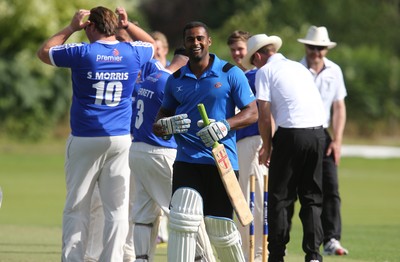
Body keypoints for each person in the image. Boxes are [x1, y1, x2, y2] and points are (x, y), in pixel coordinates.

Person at [37, 6, 155, 261]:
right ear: (114, 26)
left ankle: (74, 258)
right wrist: (128, 25)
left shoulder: (83, 53)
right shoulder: (131, 52)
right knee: (117, 209)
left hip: (84, 137)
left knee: (77, 206)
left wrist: (70, 28)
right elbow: (152, 44)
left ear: (90, 26)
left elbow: (44, 52)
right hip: (120, 139)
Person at [152, 21, 258, 262]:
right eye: (190, 39)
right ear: (185, 44)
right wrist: (165, 126)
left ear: (208, 41)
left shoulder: (230, 72)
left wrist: (224, 125)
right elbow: (158, 122)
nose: (196, 43)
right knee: (182, 218)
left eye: (200, 38)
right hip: (187, 160)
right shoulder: (176, 78)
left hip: (221, 160)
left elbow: (252, 112)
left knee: (219, 228)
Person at [242, 33, 326, 262]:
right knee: (312, 197)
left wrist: (267, 146)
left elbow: (264, 114)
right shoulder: (299, 67)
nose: (254, 64)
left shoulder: (265, 72)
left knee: (280, 197)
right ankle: (314, 254)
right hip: (318, 133)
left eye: (253, 60)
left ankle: (276, 254)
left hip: (292, 133)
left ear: (258, 56)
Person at [125, 48, 188, 261]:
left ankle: (141, 259)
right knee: (182, 211)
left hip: (139, 150)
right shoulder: (171, 83)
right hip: (160, 152)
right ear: (186, 63)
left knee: (144, 213)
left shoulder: (153, 77)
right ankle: (200, 258)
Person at [298, 25, 348, 256]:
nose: (316, 52)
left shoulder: (334, 71)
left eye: (320, 48)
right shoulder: (296, 70)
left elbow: (339, 106)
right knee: (305, 190)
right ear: (306, 47)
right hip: (299, 131)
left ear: (326, 50)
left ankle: (331, 239)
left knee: (331, 187)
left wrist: (337, 140)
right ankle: (307, 241)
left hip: (324, 132)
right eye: (312, 47)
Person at [227, 30, 268, 262]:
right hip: (240, 144)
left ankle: (257, 252)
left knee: (256, 198)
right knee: (243, 198)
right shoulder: (238, 76)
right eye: (233, 50)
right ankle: (247, 251)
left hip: (254, 143)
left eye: (241, 49)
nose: (237, 54)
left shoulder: (256, 76)